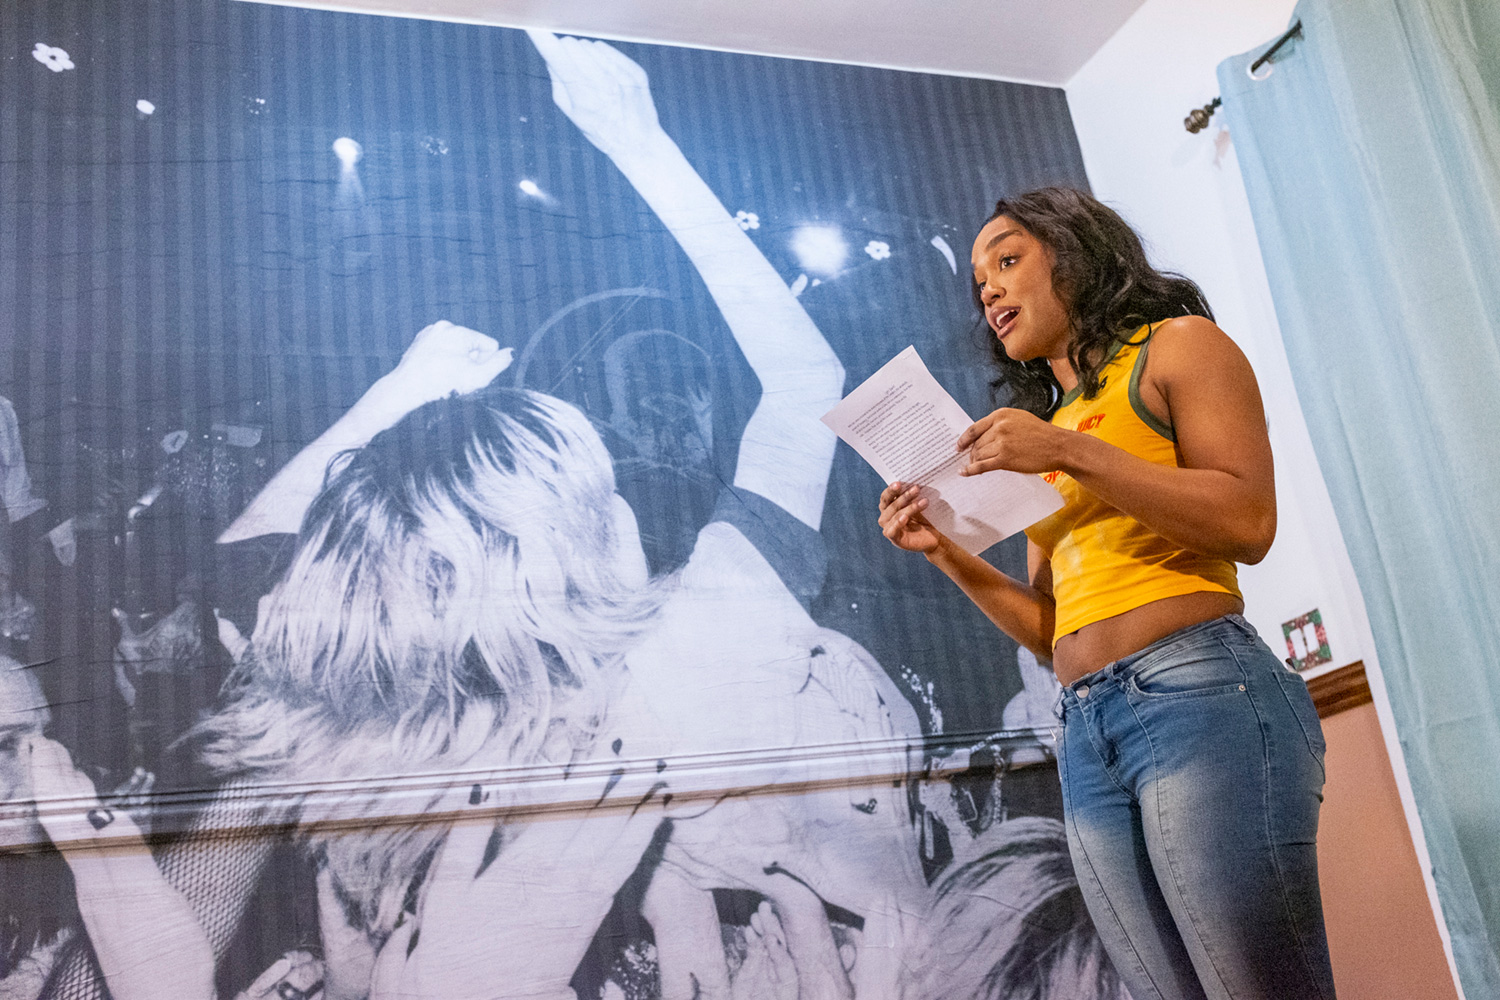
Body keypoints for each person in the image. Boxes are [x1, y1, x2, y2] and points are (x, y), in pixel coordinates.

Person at [877, 187, 1335, 1000]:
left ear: (1078, 256)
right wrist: (944, 552)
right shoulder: (1043, 432)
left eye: (1008, 260)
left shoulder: (1179, 348)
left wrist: (1065, 449)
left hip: (1199, 690)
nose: (987, 290)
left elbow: (1248, 520)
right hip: (1086, 723)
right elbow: (1053, 629)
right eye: (979, 280)